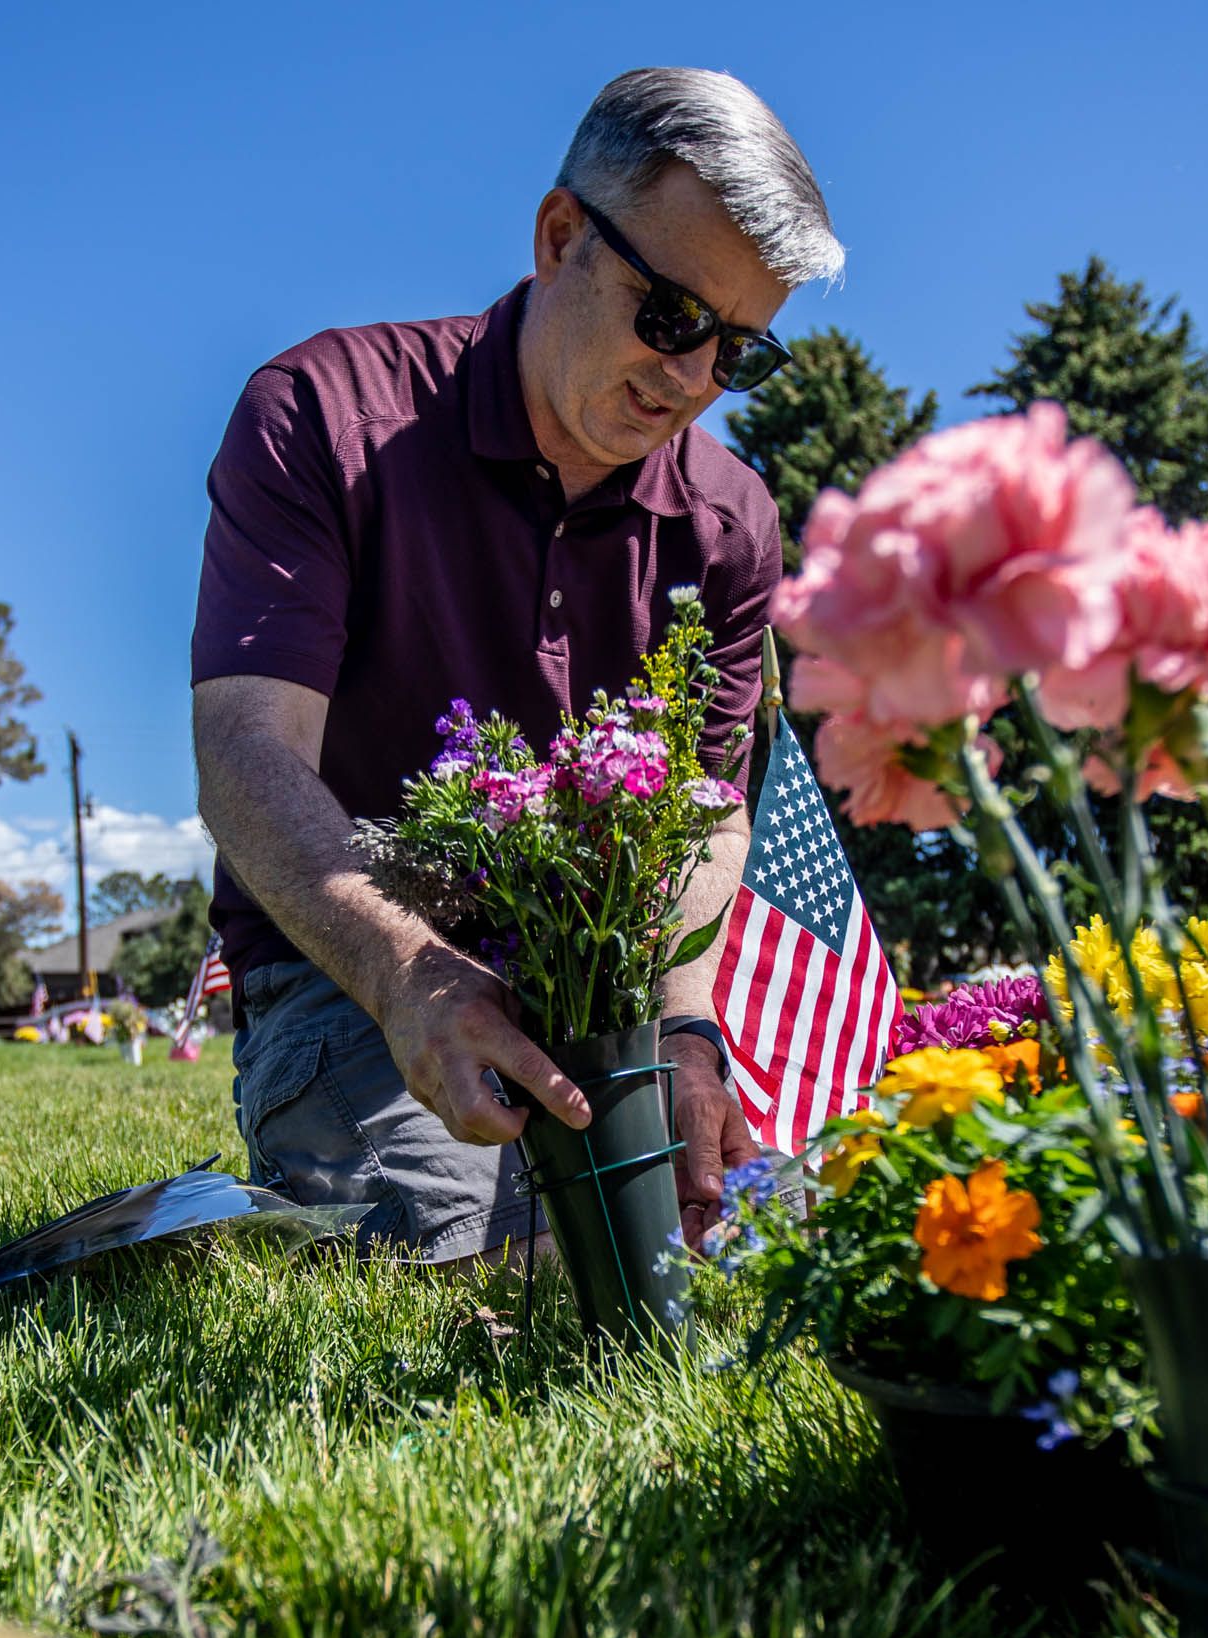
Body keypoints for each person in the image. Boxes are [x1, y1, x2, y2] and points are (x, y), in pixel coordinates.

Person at [190, 68, 838, 1263]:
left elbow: (707, 804)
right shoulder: (322, 414)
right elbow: (244, 754)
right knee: (496, 1255)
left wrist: (685, 1026)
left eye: (739, 353)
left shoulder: (732, 519)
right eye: (673, 317)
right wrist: (407, 976)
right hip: (352, 975)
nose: (692, 381)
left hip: (611, 986)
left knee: (757, 1242)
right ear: (558, 237)